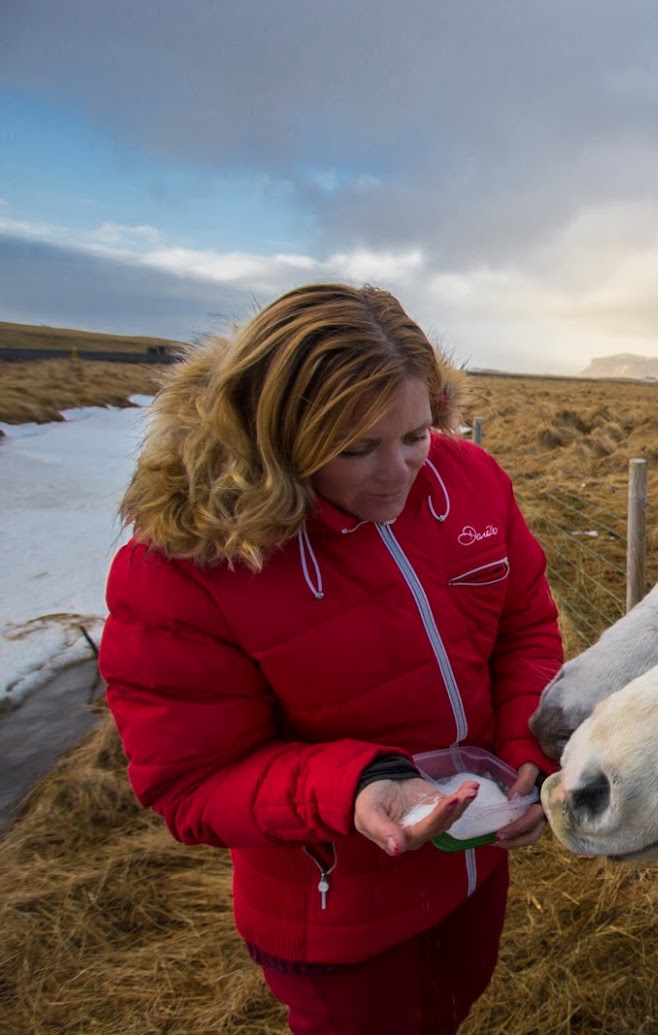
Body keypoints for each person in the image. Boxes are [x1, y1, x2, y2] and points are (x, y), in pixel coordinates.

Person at [99, 283, 564, 1034]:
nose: (400, 471)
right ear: (278, 434)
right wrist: (355, 785)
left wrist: (522, 748)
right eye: (355, 448)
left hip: (474, 865)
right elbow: (189, 783)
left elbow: (524, 628)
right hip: (334, 912)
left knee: (452, 1006)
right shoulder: (186, 567)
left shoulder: (470, 481)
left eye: (415, 433)